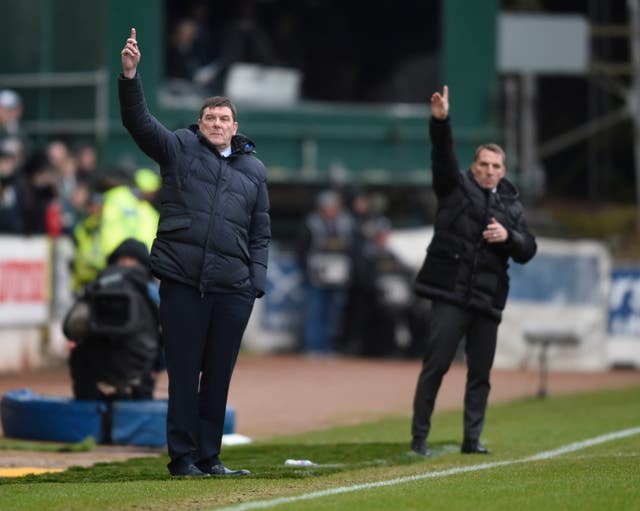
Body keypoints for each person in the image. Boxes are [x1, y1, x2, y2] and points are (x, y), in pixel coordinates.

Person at [120, 28, 270, 477]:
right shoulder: (179, 149)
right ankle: (183, 457)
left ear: (235, 126)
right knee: (184, 375)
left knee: (218, 377)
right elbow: (139, 123)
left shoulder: (254, 170)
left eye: (224, 118)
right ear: (200, 123)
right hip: (184, 282)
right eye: (210, 118)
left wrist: (254, 284)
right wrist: (130, 76)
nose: (217, 124)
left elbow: (260, 232)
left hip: (233, 289)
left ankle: (210, 456)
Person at [410, 86, 537, 457]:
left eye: (496, 166)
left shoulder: (512, 206)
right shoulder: (453, 187)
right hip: (450, 295)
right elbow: (442, 154)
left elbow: (528, 248)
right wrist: (440, 120)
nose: (489, 171)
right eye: (483, 164)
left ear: (504, 171)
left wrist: (509, 236)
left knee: (480, 376)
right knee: (436, 367)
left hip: (487, 300)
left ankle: (472, 439)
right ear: (473, 165)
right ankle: (419, 439)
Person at [64, 238, 162, 401]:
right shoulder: (151, 289)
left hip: (93, 365)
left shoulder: (97, 284)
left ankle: (87, 410)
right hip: (139, 368)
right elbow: (170, 334)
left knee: (79, 355)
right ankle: (141, 403)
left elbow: (69, 328)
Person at [297, 189, 353, 355]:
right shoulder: (312, 224)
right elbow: (301, 250)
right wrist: (307, 270)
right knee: (314, 311)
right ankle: (312, 347)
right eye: (327, 206)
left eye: (334, 206)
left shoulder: (345, 223)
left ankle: (328, 347)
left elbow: (351, 249)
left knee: (333, 313)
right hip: (317, 275)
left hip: (338, 275)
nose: (331, 210)